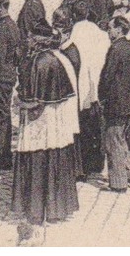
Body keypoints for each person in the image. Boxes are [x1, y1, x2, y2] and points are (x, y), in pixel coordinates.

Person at [11, 18, 80, 238]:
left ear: (38, 40)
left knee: (38, 164)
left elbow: (36, 102)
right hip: (56, 122)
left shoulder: (38, 62)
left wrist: (18, 104)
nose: (28, 40)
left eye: (31, 37)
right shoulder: (56, 59)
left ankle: (35, 210)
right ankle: (57, 209)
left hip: (39, 124)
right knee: (55, 161)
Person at [96, 11, 130, 193]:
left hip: (114, 101)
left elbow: (107, 76)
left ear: (119, 30)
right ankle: (129, 172)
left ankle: (118, 182)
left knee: (113, 140)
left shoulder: (115, 49)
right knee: (121, 138)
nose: (108, 31)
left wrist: (102, 96)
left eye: (111, 28)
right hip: (127, 100)